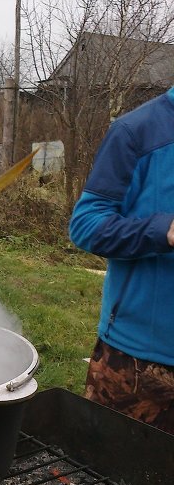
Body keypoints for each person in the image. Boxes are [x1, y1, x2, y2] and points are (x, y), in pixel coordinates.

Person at [69, 87, 174, 433]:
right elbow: (86, 224)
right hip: (139, 363)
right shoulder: (136, 131)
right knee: (106, 476)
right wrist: (164, 232)